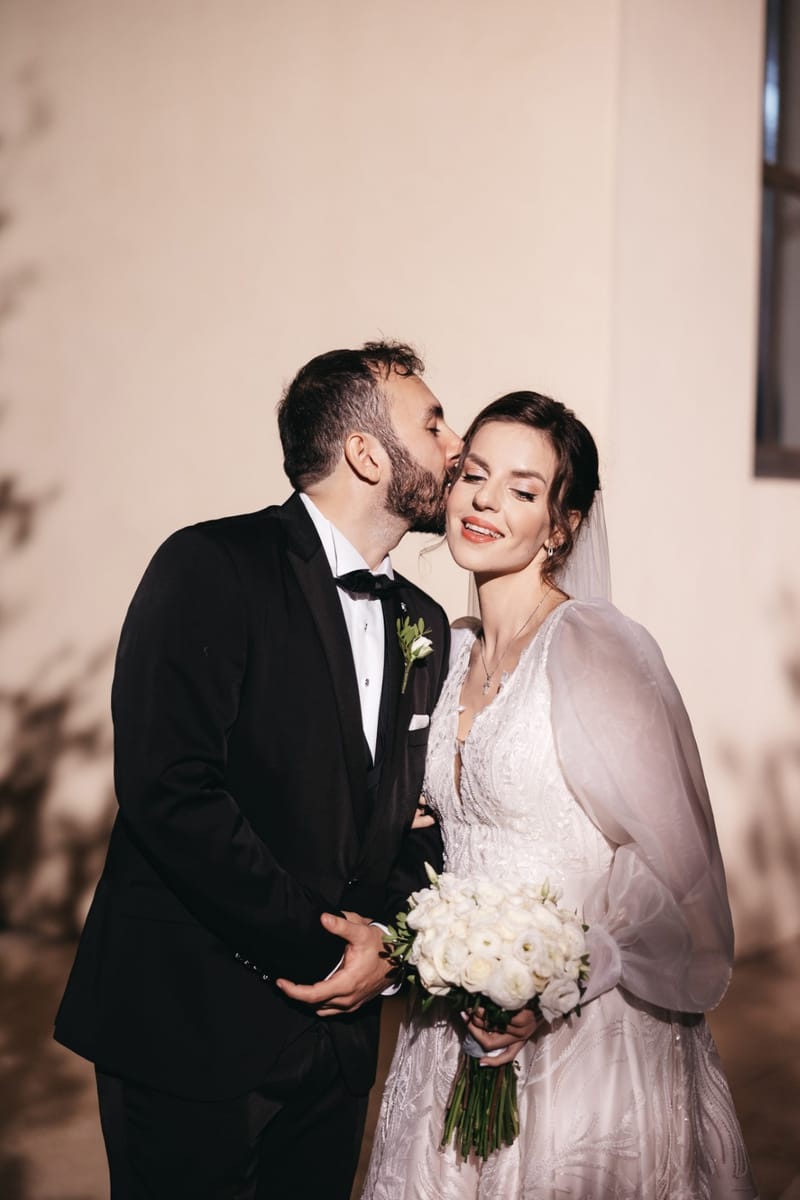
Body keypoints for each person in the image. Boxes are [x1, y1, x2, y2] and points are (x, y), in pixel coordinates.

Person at [54, 340, 462, 1200]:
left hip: (341, 1043)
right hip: (191, 1023)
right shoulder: (211, 566)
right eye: (432, 423)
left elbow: (420, 818)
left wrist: (387, 949)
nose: (454, 444)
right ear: (364, 452)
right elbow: (172, 790)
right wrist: (325, 949)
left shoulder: (421, 622)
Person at [363, 392, 757, 1198]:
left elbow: (672, 869)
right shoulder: (444, 649)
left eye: (523, 488)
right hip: (451, 1023)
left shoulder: (599, 648)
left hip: (587, 1031)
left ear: (562, 525)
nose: (484, 501)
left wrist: (558, 986)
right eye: (475, 475)